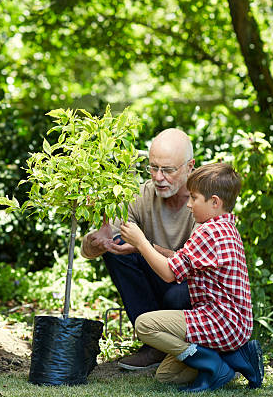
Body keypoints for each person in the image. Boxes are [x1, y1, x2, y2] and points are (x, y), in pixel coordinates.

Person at [120, 163, 263, 391]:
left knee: (144, 325)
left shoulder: (208, 232)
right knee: (166, 376)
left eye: (194, 198)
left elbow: (168, 273)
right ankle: (236, 358)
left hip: (220, 321)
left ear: (215, 202)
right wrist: (144, 249)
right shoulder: (225, 227)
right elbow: (182, 258)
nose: (188, 204)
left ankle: (212, 363)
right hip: (234, 324)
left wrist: (141, 241)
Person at [80, 128, 196, 370]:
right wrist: (96, 241)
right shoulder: (143, 195)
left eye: (168, 170)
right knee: (118, 248)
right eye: (153, 168)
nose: (158, 177)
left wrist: (144, 247)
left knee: (178, 293)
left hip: (193, 291)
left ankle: (182, 346)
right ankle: (153, 345)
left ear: (189, 167)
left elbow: (198, 266)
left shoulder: (205, 201)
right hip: (160, 280)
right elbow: (91, 249)